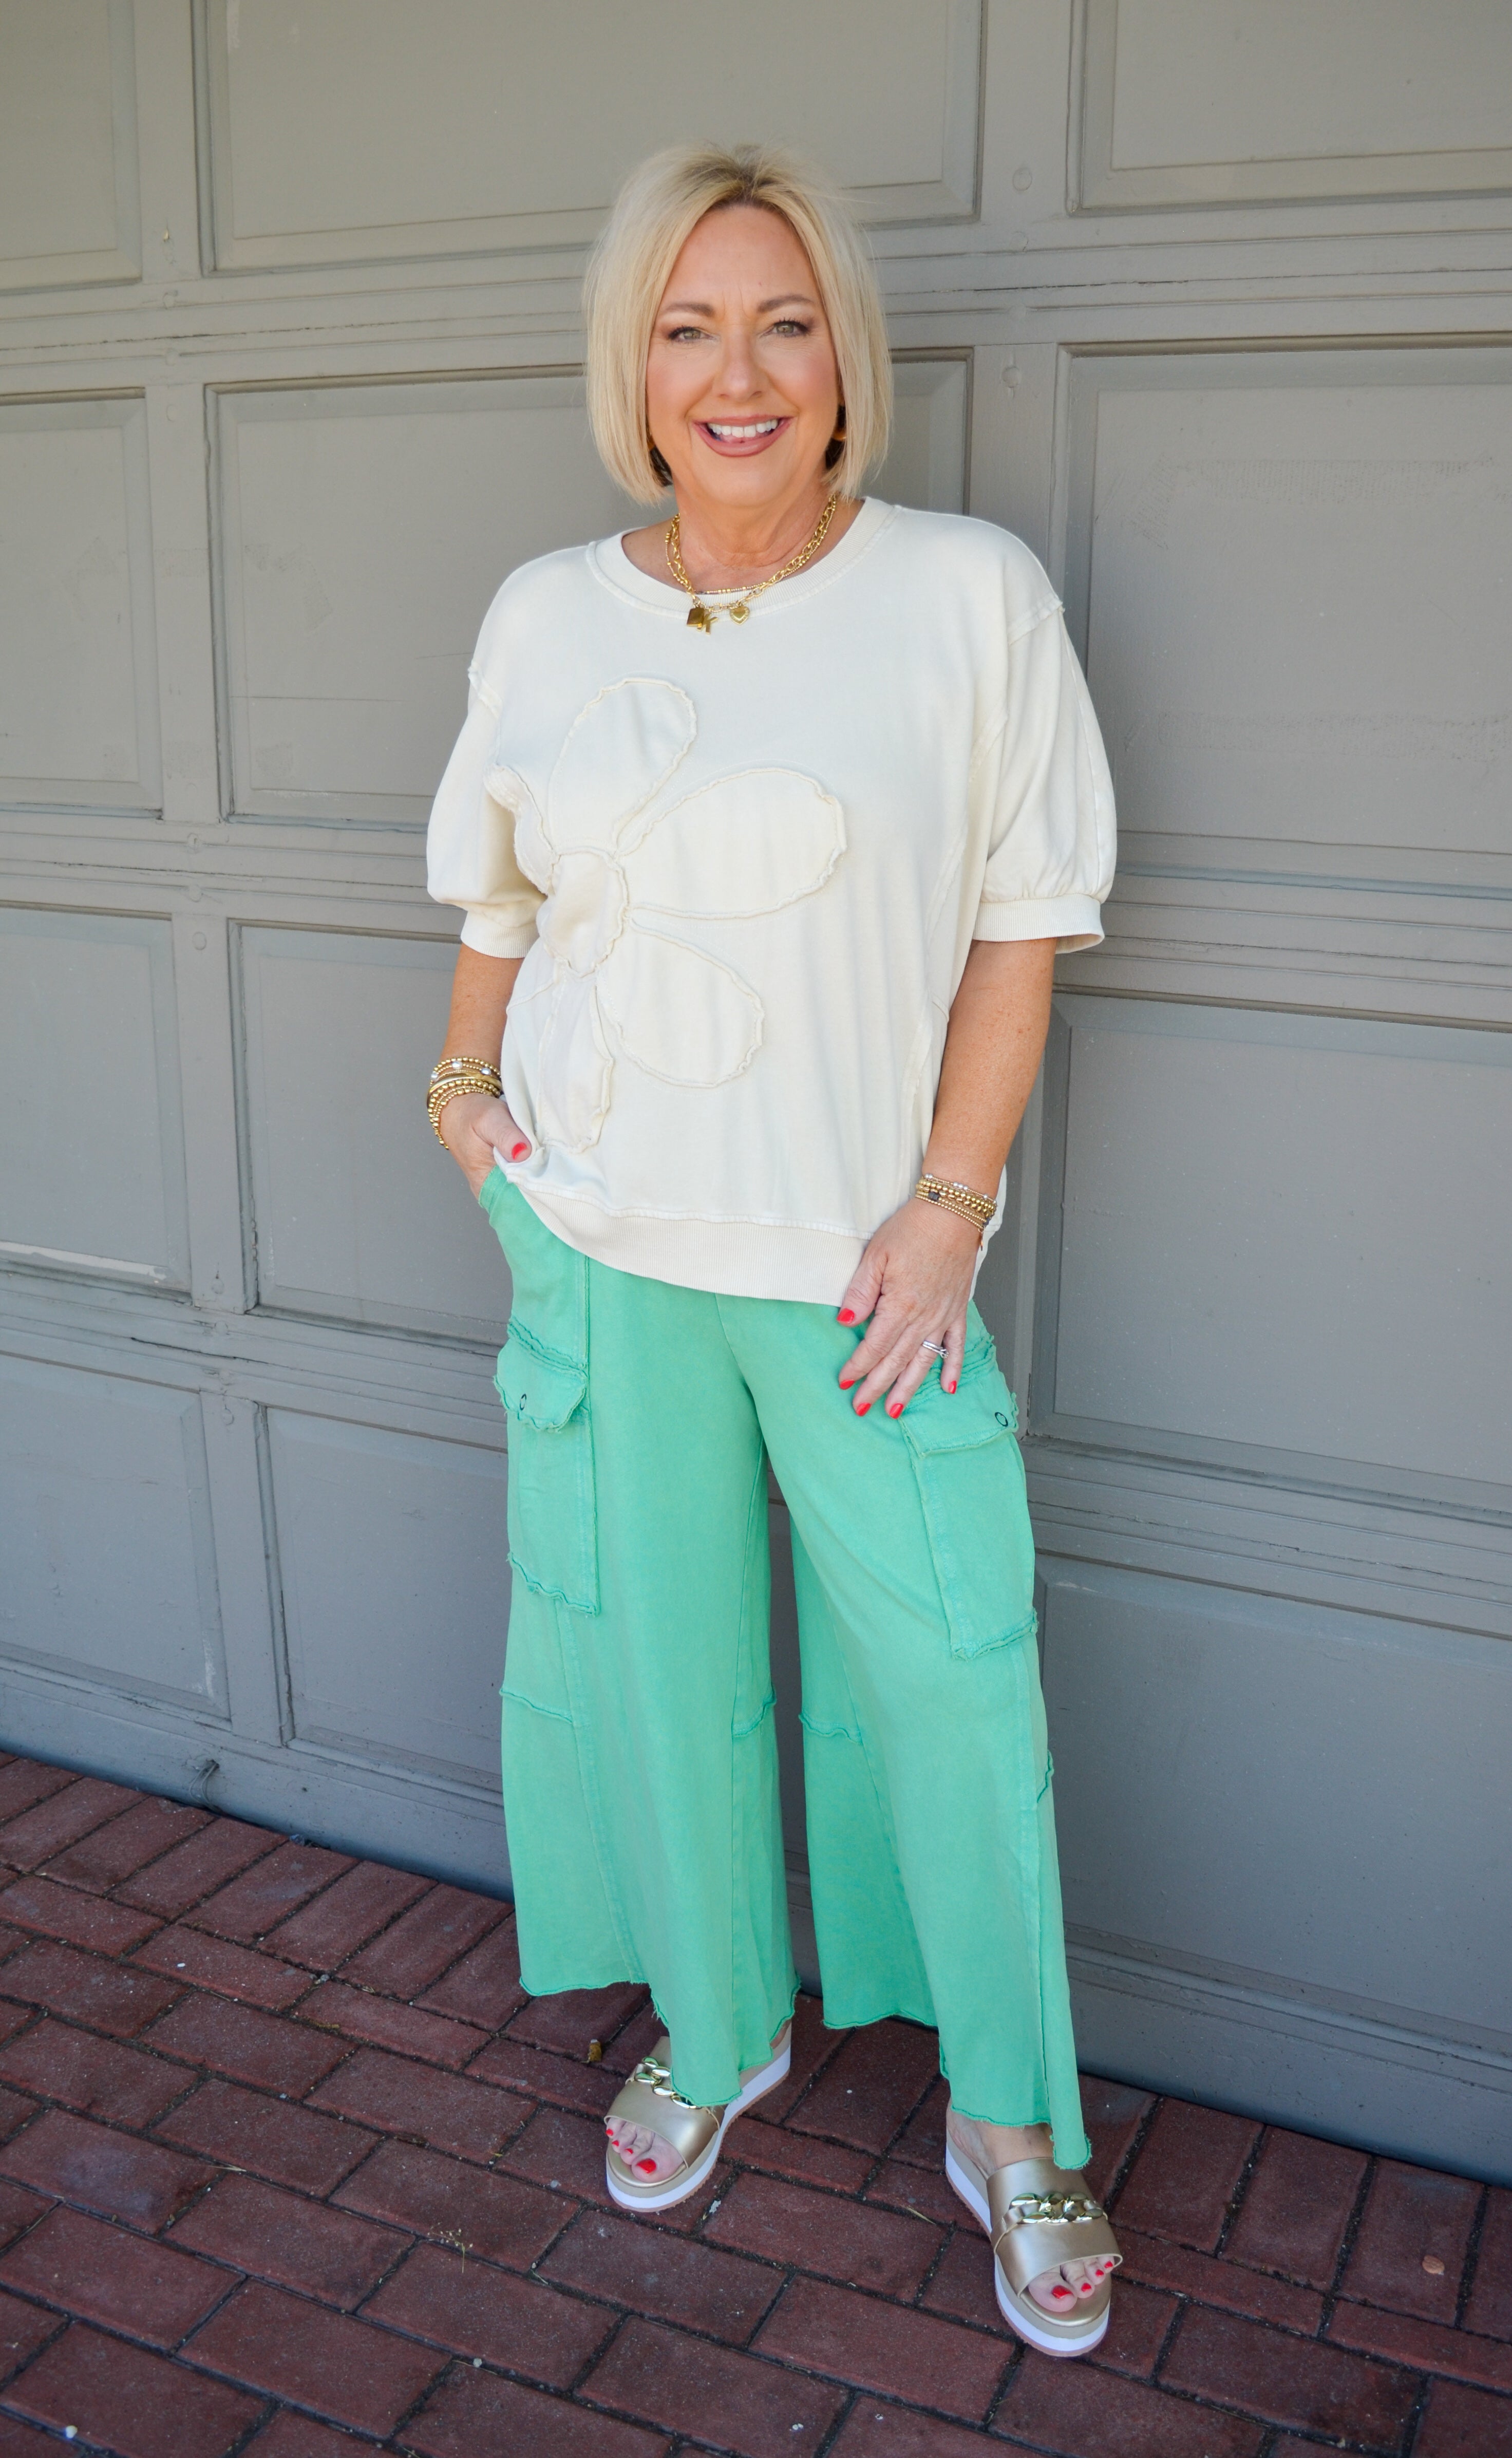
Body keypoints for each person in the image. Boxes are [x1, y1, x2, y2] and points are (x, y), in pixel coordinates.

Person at [424, 142, 1121, 2357]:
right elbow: (500, 897)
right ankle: (717, 2028)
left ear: (844, 363)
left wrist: (948, 1209)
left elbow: (1022, 923)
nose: (740, 373)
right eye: (690, 326)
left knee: (952, 1688)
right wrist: (461, 1101)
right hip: (609, 1248)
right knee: (660, 1668)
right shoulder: (546, 613)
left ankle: (1013, 2121)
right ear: (635, 364)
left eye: (784, 322)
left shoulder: (962, 596)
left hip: (857, 1278)